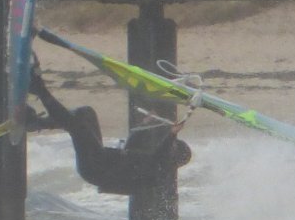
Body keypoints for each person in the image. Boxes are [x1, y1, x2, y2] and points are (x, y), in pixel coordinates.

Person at [25, 68, 192, 197]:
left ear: (174, 158)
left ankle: (39, 89)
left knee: (78, 127)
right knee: (86, 113)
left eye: (173, 148)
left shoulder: (160, 172)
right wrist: (144, 124)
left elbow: (159, 157)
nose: (169, 147)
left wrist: (172, 135)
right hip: (100, 157)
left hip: (94, 168)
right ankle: (37, 123)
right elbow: (130, 146)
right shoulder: (152, 163)